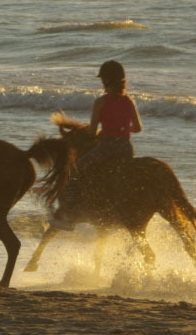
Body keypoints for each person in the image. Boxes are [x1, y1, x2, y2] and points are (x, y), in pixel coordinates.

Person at [50, 60, 142, 230]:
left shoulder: (101, 102)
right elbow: (138, 128)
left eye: (102, 80)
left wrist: (107, 130)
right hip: (126, 149)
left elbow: (92, 132)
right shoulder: (129, 101)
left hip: (106, 148)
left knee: (73, 173)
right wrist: (122, 129)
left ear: (107, 81)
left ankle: (68, 217)